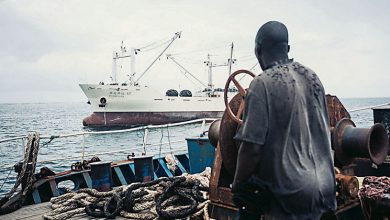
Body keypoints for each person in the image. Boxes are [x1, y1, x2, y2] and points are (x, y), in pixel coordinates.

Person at [232, 21, 337, 220]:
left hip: (291, 196)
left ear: (258, 49)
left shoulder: (261, 84)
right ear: (287, 48)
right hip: (327, 189)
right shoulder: (313, 78)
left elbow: (252, 149)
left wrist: (238, 185)